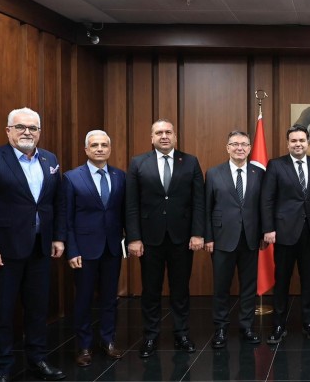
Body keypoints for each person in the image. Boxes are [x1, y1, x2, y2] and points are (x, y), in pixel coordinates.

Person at [0, 107, 67, 382]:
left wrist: (58, 237)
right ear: (8, 130)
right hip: (3, 252)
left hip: (40, 248)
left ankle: (38, 359)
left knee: (37, 308)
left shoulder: (50, 159)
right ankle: (2, 370)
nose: (27, 132)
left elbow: (56, 202)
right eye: (20, 127)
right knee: (1, 312)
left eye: (33, 128)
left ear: (40, 132)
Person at [125, 119, 204, 356]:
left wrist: (197, 233)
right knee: (151, 290)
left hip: (182, 238)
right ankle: (150, 336)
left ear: (175, 136)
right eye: (159, 132)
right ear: (152, 138)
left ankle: (182, 334)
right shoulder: (138, 163)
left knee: (180, 289)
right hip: (149, 239)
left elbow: (198, 201)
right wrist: (133, 238)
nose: (164, 136)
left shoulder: (190, 162)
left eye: (168, 132)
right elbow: (131, 204)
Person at [63, 130, 126, 367]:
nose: (99, 149)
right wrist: (72, 250)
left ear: (109, 149)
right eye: (94, 145)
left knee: (110, 297)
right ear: (86, 150)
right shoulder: (71, 178)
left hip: (112, 247)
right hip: (84, 249)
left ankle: (108, 340)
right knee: (84, 298)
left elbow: (123, 211)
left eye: (104, 145)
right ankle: (84, 346)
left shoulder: (120, 176)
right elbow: (67, 218)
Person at [262, 125, 310, 344]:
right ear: (287, 143)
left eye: (301, 140)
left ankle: (309, 322)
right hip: (284, 232)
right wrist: (268, 228)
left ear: (308, 142)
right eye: (293, 141)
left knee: (309, 280)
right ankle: (279, 324)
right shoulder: (276, 165)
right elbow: (267, 199)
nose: (298, 144)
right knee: (282, 280)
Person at [204, 131, 264, 347]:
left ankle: (246, 326)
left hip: (250, 237)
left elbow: (263, 206)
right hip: (222, 238)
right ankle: (220, 328)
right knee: (221, 286)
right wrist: (208, 237)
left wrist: (264, 233)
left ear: (249, 148)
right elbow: (206, 208)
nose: (240, 148)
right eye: (235, 144)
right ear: (227, 147)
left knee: (249, 286)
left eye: (244, 144)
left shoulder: (259, 173)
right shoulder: (213, 173)